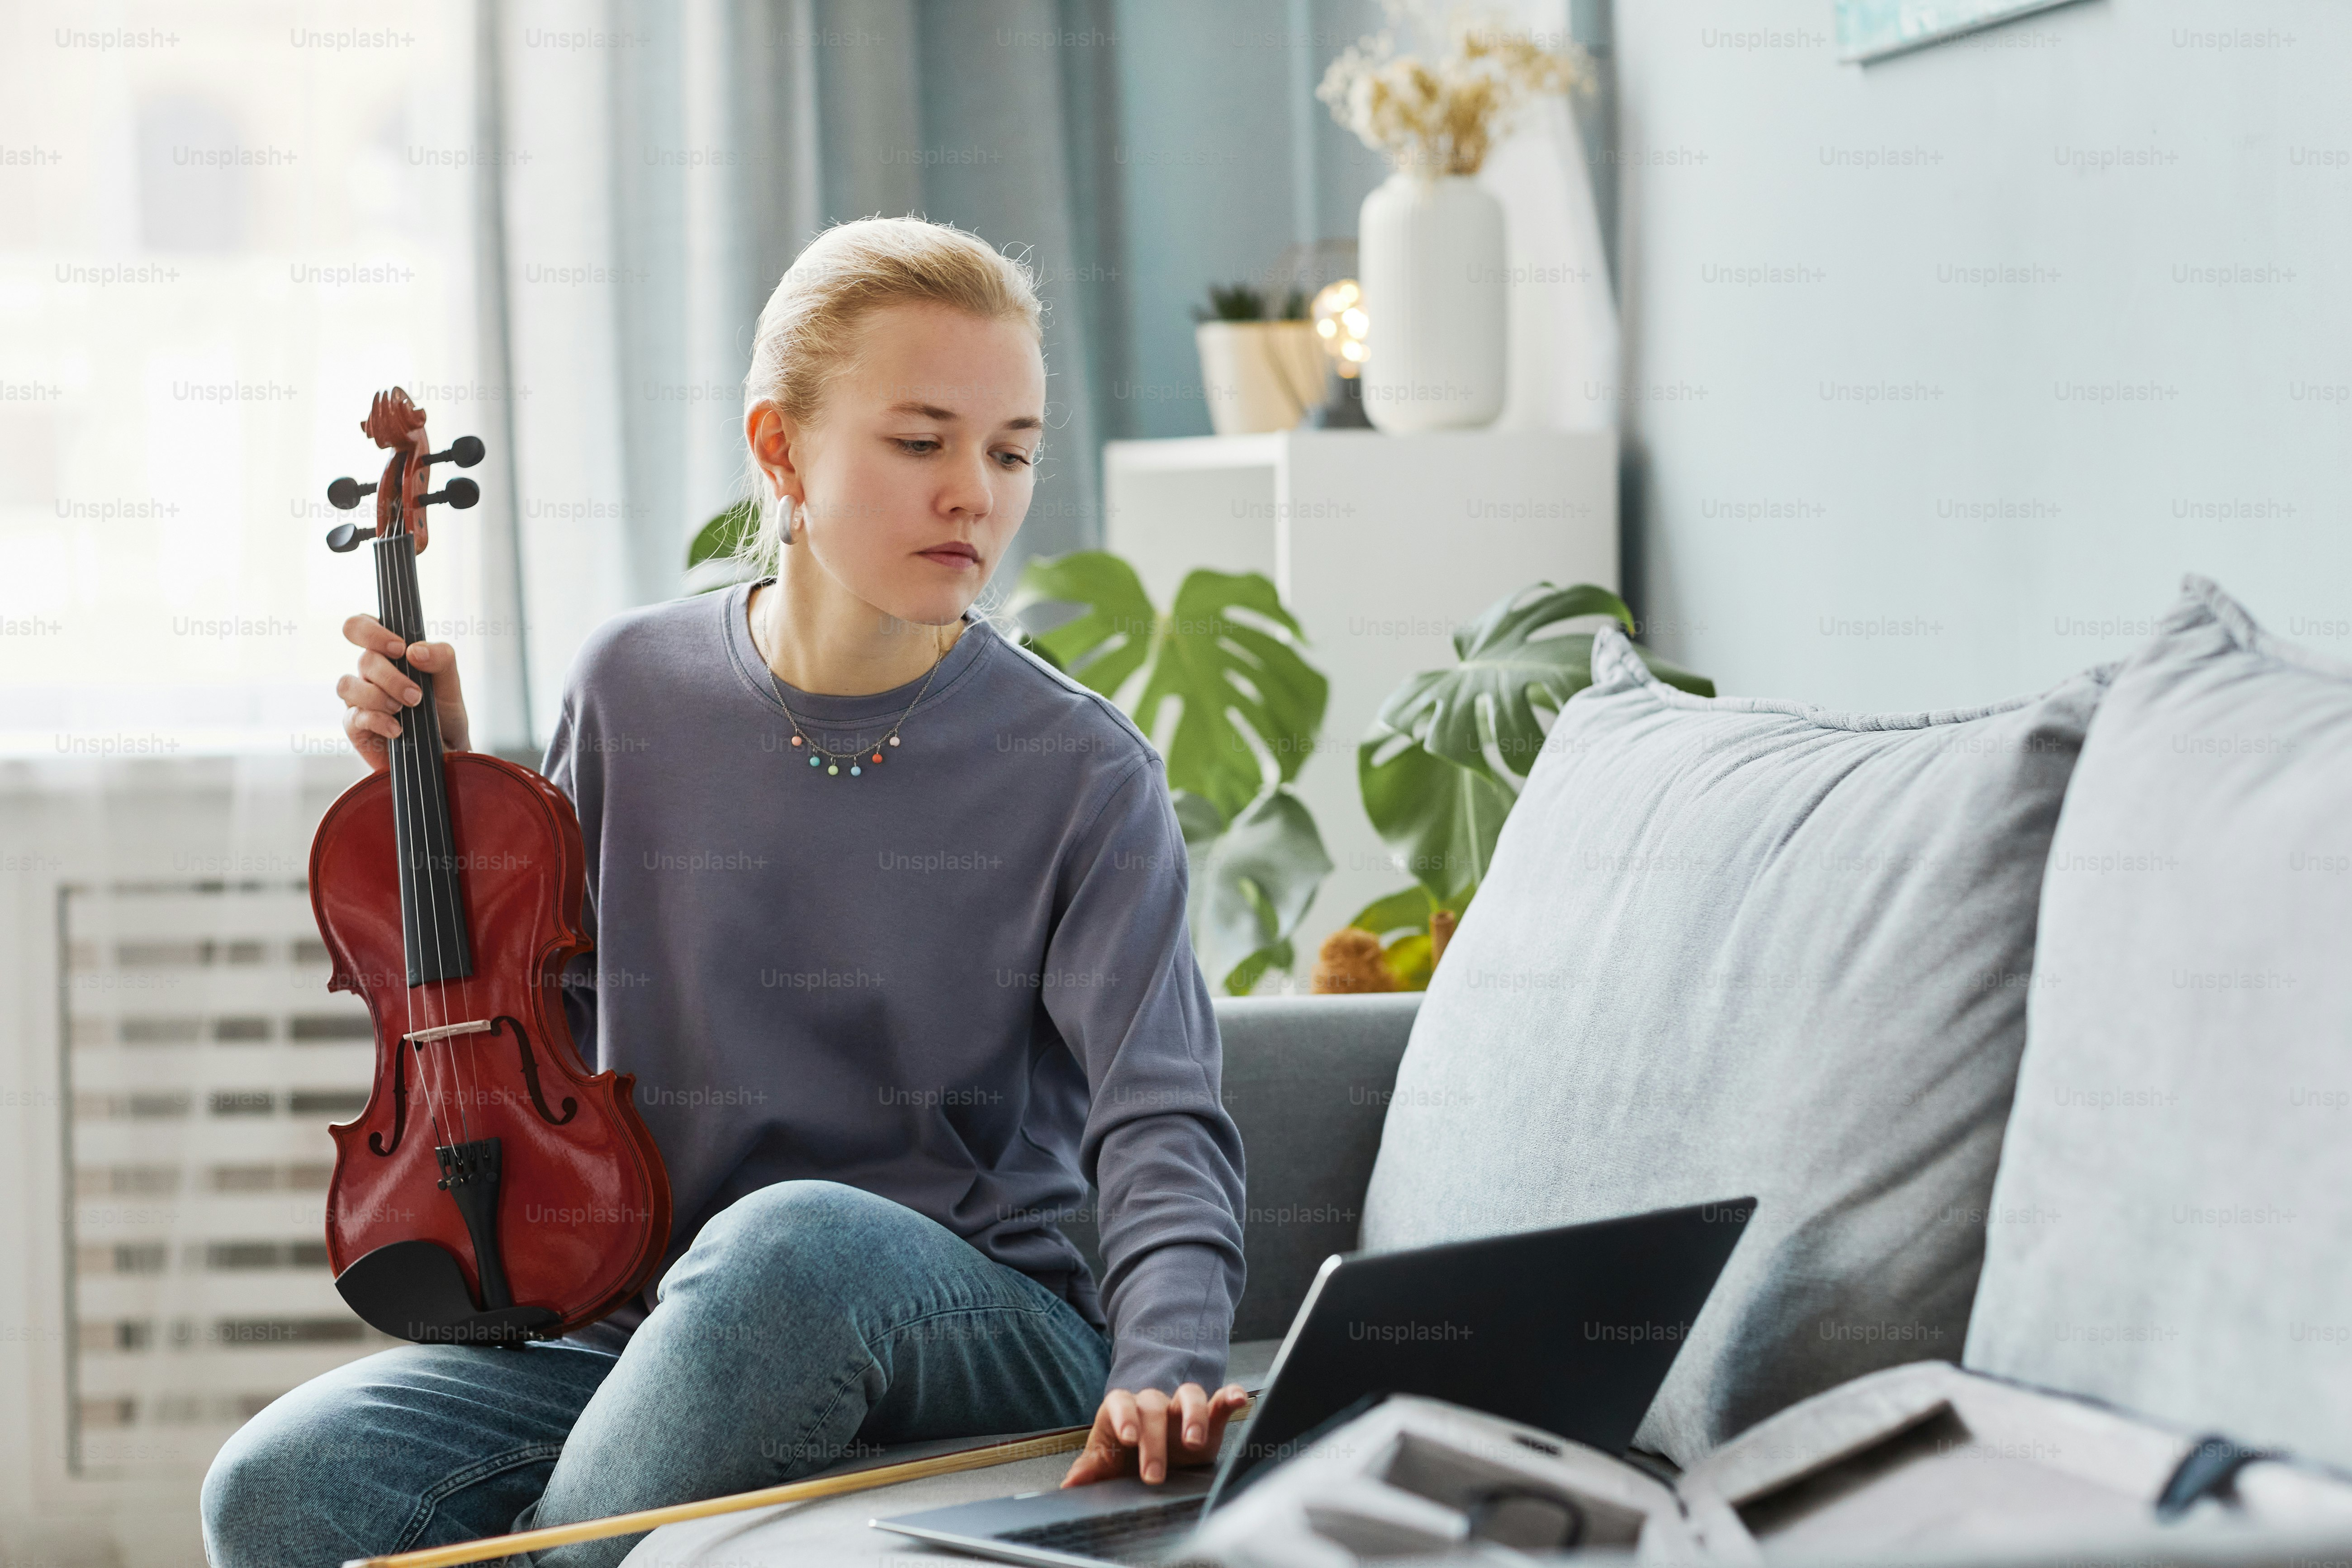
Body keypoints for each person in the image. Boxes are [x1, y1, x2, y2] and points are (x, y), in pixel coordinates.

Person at [201, 216, 1250, 1568]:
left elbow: (1163, 1111)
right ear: (782, 448)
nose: (974, 495)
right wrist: (463, 806)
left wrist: (1161, 1357)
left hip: (975, 1319)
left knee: (789, 1243)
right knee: (278, 1486)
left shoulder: (1082, 769)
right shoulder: (632, 687)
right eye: (922, 442)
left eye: (1012, 451)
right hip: (660, 1325)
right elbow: (550, 1035)